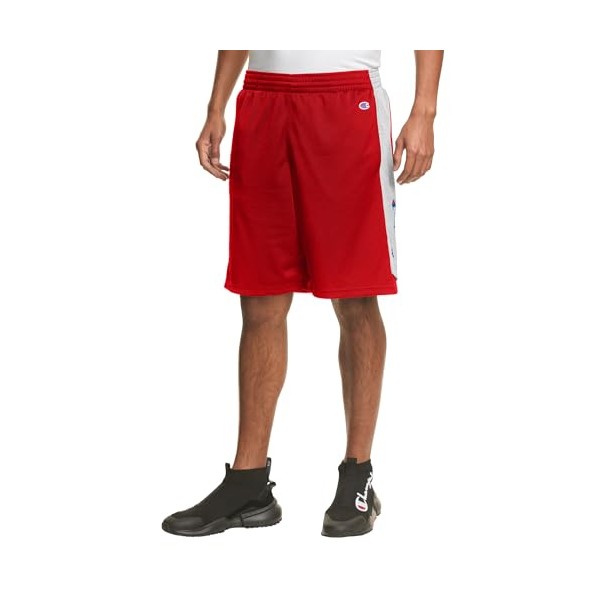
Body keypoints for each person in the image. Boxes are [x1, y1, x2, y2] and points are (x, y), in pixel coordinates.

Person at [162, 50, 444, 538]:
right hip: (263, 99)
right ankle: (248, 482)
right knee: (260, 296)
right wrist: (216, 105)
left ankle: (357, 475)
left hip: (346, 96)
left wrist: (425, 109)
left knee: (356, 296)